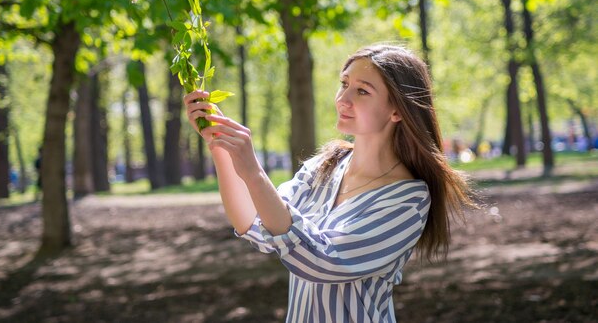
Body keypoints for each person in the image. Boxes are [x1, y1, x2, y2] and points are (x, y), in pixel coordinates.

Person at [184, 43, 475, 322]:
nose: (343, 99)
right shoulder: (324, 166)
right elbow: (254, 222)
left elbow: (322, 260)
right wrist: (221, 146)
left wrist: (253, 172)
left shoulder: (408, 200)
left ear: (397, 111)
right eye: (344, 83)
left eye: (362, 91)